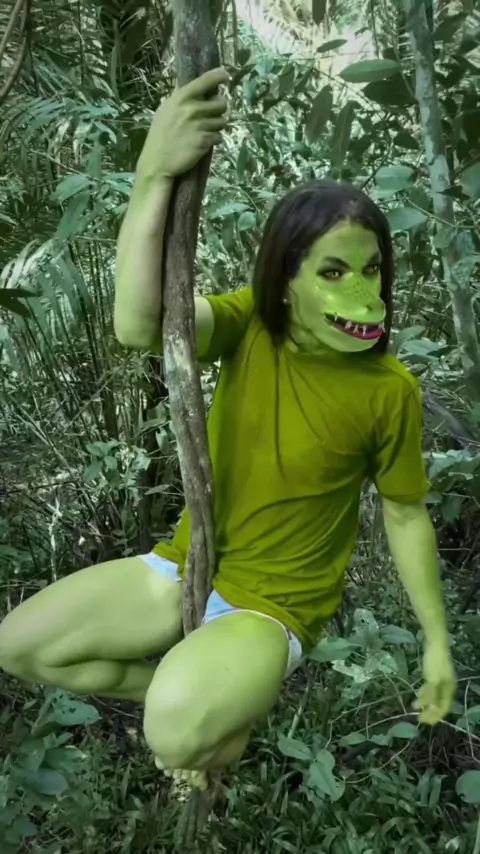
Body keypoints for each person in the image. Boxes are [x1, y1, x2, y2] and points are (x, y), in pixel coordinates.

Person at [0, 68, 455, 789]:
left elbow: (404, 514)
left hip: (272, 606)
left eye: (371, 270)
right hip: (188, 563)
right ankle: (196, 699)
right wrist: (154, 170)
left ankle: (199, 710)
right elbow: (138, 325)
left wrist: (437, 642)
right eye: (333, 272)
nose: (362, 291)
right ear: (285, 282)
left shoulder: (388, 388)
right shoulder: (250, 325)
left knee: (174, 735)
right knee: (22, 647)